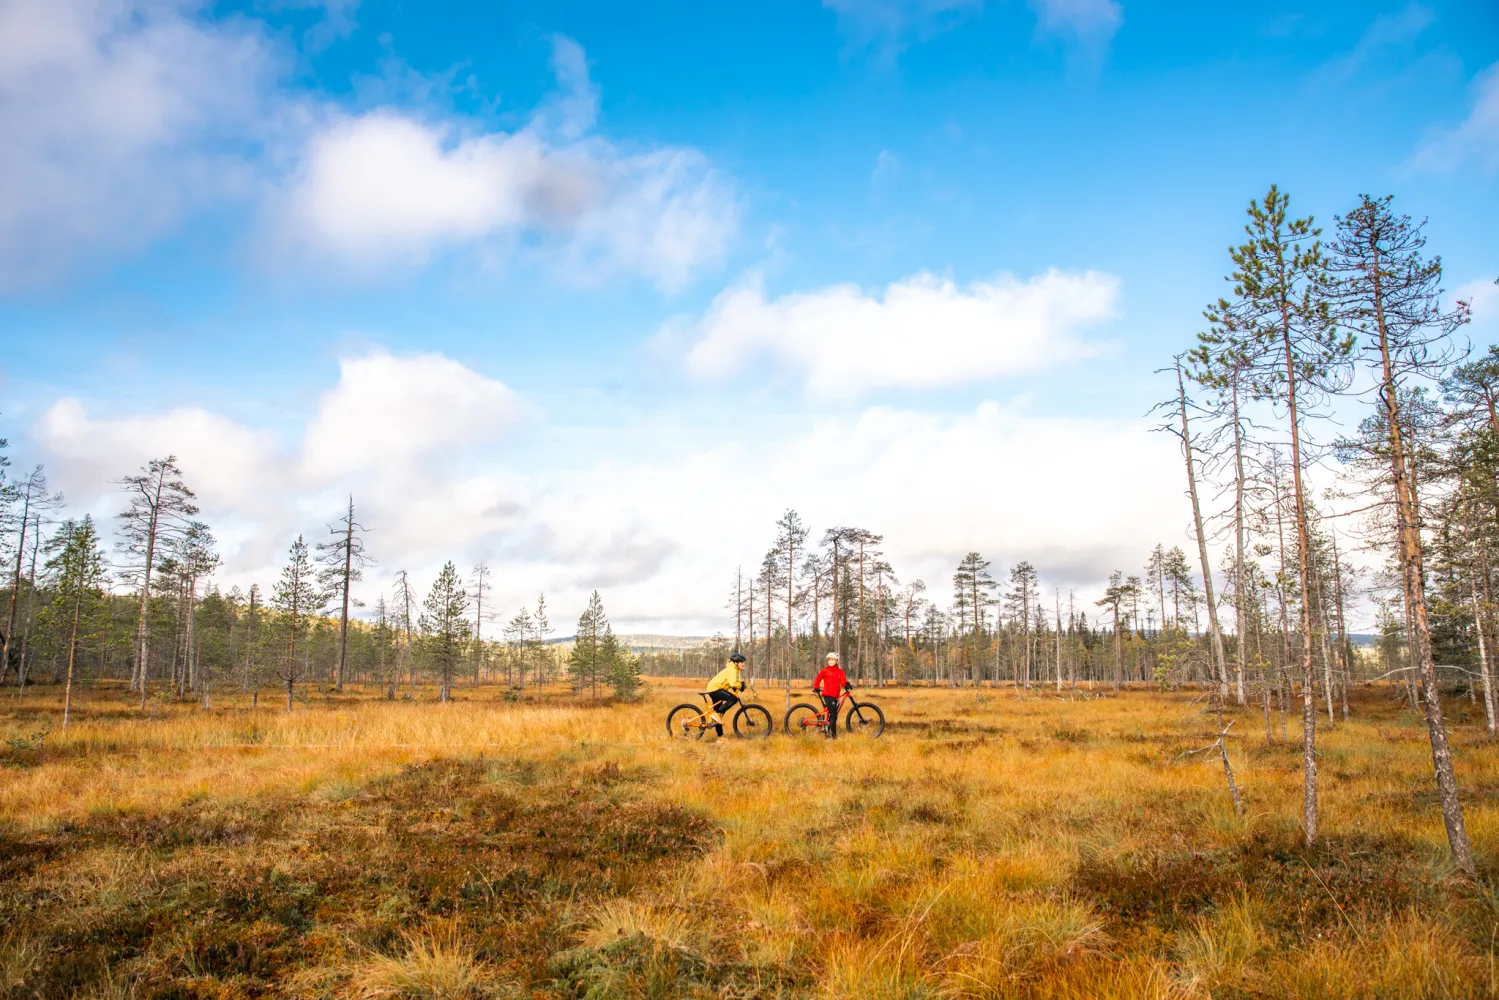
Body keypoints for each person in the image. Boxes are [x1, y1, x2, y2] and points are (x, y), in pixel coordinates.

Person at [704, 651, 748, 737]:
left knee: (718, 716)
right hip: (715, 689)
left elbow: (731, 681)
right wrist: (740, 686)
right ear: (736, 663)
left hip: (714, 688)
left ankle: (720, 736)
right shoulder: (732, 670)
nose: (743, 664)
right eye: (742, 662)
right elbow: (733, 683)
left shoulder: (733, 669)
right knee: (734, 699)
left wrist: (740, 683)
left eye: (743, 662)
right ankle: (718, 713)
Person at [811, 652, 850, 739]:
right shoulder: (825, 670)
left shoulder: (840, 671)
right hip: (828, 695)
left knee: (831, 715)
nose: (830, 661)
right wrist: (816, 687)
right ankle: (833, 737)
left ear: (837, 661)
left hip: (836, 696)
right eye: (829, 660)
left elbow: (843, 682)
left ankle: (827, 732)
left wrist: (847, 684)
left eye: (833, 660)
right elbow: (818, 679)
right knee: (833, 715)